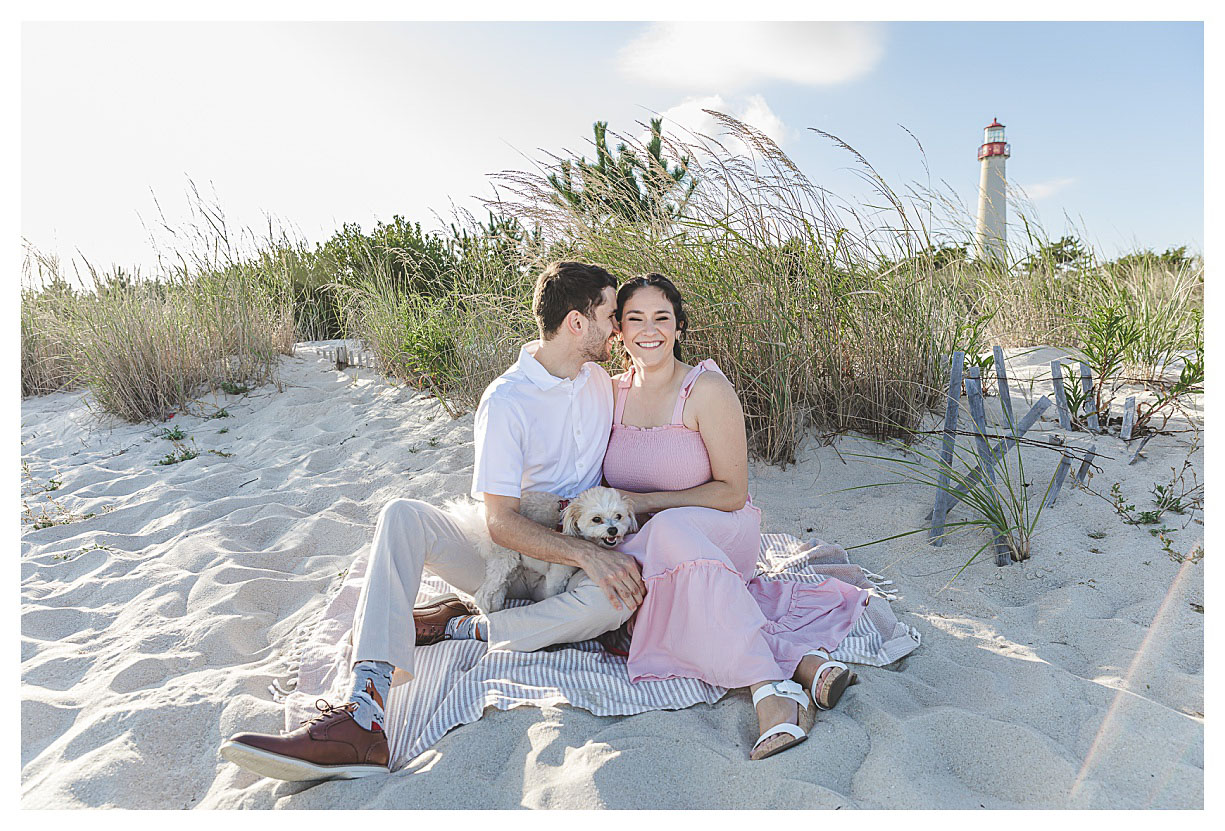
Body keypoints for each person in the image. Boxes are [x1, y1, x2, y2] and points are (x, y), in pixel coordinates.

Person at [220, 261, 646, 781]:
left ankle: (466, 627)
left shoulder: (600, 381)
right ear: (578, 323)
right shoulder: (508, 400)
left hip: (570, 563)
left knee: (612, 597)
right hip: (505, 559)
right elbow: (500, 523)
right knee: (402, 516)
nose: (618, 328)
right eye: (610, 314)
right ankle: (364, 713)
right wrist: (584, 552)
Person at [604, 273, 871, 761]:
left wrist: (643, 503)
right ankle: (803, 663)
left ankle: (768, 691)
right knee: (666, 540)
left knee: (671, 531)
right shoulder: (608, 393)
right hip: (644, 543)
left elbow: (732, 492)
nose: (649, 329)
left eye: (661, 318)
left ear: (679, 327)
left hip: (721, 531)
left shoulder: (705, 389)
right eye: (634, 318)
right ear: (617, 330)